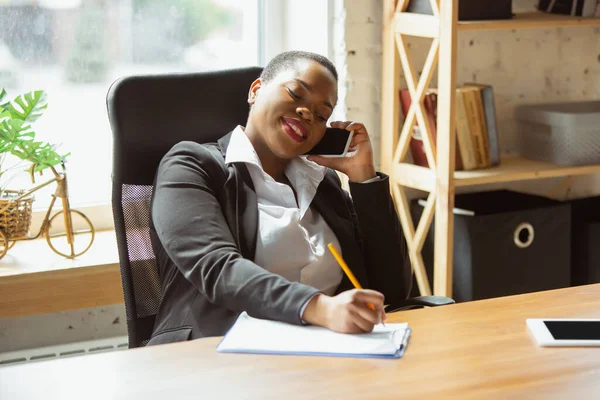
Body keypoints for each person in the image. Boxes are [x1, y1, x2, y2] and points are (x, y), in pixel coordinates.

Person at [147, 51, 412, 345]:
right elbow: (219, 269)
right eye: (296, 94)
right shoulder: (191, 166)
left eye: (322, 114)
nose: (308, 113)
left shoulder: (324, 184)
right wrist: (320, 307)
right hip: (219, 356)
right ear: (256, 90)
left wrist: (364, 180)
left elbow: (393, 290)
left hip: (328, 354)